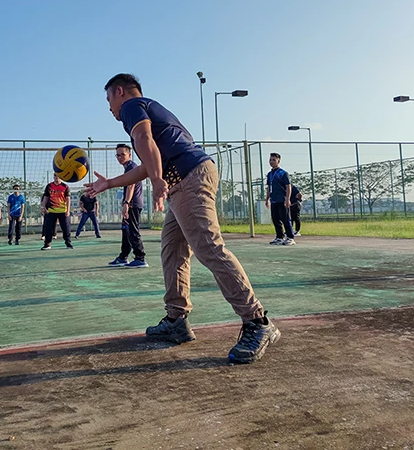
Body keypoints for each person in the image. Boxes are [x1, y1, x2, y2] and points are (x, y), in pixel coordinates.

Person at [85, 73, 279, 364]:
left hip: (188, 178)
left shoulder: (132, 107)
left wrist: (157, 180)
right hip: (183, 180)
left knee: (209, 248)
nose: (110, 107)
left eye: (109, 99)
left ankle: (257, 322)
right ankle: (176, 321)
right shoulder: (152, 109)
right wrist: (110, 183)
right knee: (172, 250)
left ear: (120, 92)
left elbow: (144, 140)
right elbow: (151, 160)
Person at [108, 143, 147, 268]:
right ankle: (123, 257)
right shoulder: (128, 167)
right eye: (117, 155)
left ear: (129, 155)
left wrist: (126, 203)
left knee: (132, 230)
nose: (120, 157)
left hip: (133, 204)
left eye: (122, 155)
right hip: (130, 203)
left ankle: (140, 258)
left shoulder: (131, 167)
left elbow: (131, 185)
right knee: (126, 231)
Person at [265, 153, 296, 246]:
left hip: (282, 200)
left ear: (278, 161)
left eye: (274, 160)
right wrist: (267, 199)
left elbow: (288, 186)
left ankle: (290, 237)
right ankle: (279, 237)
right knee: (275, 219)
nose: (271, 162)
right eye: (270, 160)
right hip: (274, 200)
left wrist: (287, 199)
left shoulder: (283, 173)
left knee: (285, 219)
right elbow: (268, 187)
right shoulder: (270, 174)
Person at [41, 173, 73, 250]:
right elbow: (45, 197)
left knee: (66, 228)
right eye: (55, 176)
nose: (56, 177)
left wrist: (68, 210)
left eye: (58, 176)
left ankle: (68, 243)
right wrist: (43, 207)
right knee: (48, 228)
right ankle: (47, 244)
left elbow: (68, 199)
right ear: (53, 177)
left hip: (63, 211)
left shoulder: (65, 186)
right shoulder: (49, 186)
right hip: (51, 211)